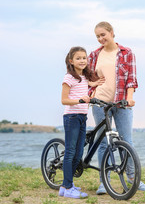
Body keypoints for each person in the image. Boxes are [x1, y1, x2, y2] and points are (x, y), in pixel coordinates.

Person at [88, 21, 145, 195]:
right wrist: (92, 90)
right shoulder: (93, 55)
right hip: (100, 102)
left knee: (126, 141)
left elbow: (131, 78)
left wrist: (129, 98)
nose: (100, 38)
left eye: (103, 35)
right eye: (97, 36)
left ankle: (133, 179)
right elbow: (89, 78)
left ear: (112, 32)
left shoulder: (126, 53)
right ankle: (103, 182)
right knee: (102, 143)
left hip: (122, 103)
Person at [59, 46, 98, 199]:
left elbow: (87, 87)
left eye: (84, 58)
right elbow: (64, 100)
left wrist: (95, 84)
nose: (82, 60)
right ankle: (68, 188)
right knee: (70, 152)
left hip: (82, 117)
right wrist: (80, 100)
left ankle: (64, 186)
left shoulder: (84, 78)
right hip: (72, 117)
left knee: (79, 153)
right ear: (71, 61)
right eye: (78, 58)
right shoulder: (68, 77)